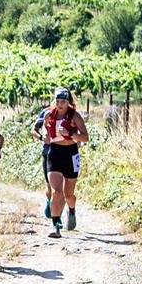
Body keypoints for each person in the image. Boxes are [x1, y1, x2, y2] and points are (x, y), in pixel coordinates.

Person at [32, 87, 89, 238]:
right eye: (57, 101)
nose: (60, 104)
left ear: (68, 102)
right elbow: (43, 129)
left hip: (70, 154)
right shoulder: (49, 114)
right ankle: (55, 224)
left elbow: (85, 137)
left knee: (68, 194)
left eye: (63, 101)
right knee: (56, 191)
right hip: (54, 153)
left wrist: (70, 134)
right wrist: (44, 136)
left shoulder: (74, 116)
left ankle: (71, 210)